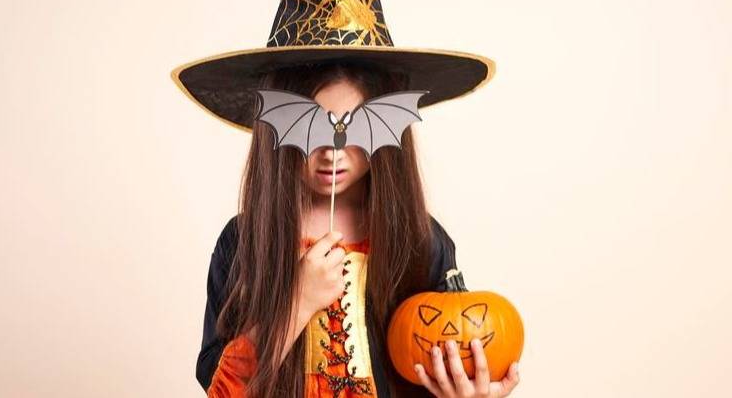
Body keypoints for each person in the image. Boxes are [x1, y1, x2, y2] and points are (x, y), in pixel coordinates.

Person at [194, 62, 521, 397]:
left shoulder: (421, 240)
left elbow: (443, 345)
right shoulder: (244, 241)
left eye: (354, 128)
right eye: (313, 128)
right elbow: (215, 382)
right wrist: (298, 303)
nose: (332, 152)